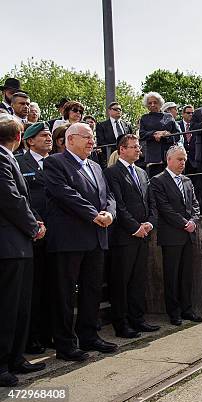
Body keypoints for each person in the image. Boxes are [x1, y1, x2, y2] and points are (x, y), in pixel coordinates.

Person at [44, 123, 118, 361]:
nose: (92, 141)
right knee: (65, 294)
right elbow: (64, 193)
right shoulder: (55, 163)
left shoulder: (96, 166)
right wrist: (93, 214)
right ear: (71, 139)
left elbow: (108, 195)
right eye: (87, 137)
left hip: (96, 238)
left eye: (92, 137)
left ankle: (89, 335)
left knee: (92, 290)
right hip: (69, 240)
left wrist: (109, 213)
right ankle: (65, 344)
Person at [0, 114, 47, 387]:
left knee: (20, 306)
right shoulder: (2, 159)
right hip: (8, 245)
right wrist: (34, 226)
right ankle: (2, 363)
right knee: (8, 307)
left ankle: (16, 357)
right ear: (19, 137)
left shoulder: (8, 159)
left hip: (19, 244)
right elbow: (11, 199)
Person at [104, 134, 160, 338]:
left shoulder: (142, 173)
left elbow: (151, 203)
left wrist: (150, 223)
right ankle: (121, 323)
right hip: (124, 237)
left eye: (139, 147)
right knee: (121, 281)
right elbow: (117, 204)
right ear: (122, 149)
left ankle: (138, 319)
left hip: (143, 235)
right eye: (134, 147)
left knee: (138, 280)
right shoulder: (111, 173)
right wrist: (134, 227)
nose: (139, 150)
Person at [150, 146, 202, 325]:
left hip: (189, 235)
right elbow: (164, 208)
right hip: (172, 236)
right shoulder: (158, 181)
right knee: (171, 275)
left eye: (185, 159)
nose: (183, 163)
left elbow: (195, 204)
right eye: (179, 159)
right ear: (168, 159)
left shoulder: (187, 181)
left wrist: (194, 221)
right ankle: (174, 312)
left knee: (186, 275)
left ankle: (187, 309)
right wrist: (184, 223)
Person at [16, 122, 54, 354]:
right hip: (34, 233)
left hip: (58, 234)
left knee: (54, 287)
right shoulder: (19, 163)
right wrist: (38, 222)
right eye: (42, 135)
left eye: (49, 135)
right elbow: (23, 200)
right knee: (34, 289)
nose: (48, 138)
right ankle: (32, 337)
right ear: (29, 141)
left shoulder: (58, 162)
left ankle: (50, 333)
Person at [139, 92, 180, 177]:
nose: (153, 105)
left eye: (155, 102)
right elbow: (142, 134)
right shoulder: (144, 118)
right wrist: (154, 134)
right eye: (150, 103)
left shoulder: (168, 116)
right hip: (153, 156)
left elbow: (177, 135)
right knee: (155, 181)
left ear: (160, 103)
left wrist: (166, 135)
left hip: (169, 153)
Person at [96, 102, 134, 168]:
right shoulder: (101, 125)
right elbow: (101, 143)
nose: (118, 111)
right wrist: (117, 152)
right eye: (116, 109)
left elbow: (132, 140)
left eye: (120, 109)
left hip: (127, 156)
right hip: (110, 158)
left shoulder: (127, 125)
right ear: (109, 111)